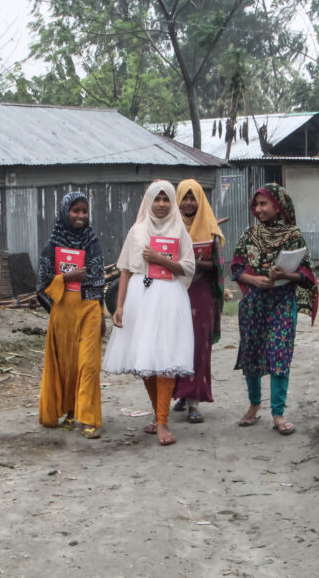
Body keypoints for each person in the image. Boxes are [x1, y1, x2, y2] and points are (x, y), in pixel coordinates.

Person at [103, 180, 195, 446]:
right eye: (157, 199)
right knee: (146, 362)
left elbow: (188, 267)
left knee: (164, 360)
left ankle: (164, 422)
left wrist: (162, 260)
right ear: (149, 201)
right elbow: (126, 270)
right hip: (139, 298)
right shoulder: (137, 231)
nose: (162, 204)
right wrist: (119, 306)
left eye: (167, 199)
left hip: (169, 298)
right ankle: (158, 413)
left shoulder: (179, 230)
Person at [232, 183, 318, 436]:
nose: (258, 209)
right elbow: (236, 268)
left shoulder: (293, 236)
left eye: (263, 204)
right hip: (253, 304)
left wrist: (287, 274)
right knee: (252, 353)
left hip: (282, 302)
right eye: (256, 205)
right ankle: (254, 404)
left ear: (278, 205)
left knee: (279, 353)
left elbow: (307, 274)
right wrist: (254, 280)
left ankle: (278, 414)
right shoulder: (249, 235)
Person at [36, 191, 105, 439]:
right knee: (66, 367)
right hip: (63, 312)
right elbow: (42, 284)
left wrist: (102, 314)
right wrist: (66, 278)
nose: (81, 216)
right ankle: (70, 412)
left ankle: (88, 418)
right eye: (76, 210)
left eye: (84, 211)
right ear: (66, 212)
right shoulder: (52, 245)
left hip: (88, 309)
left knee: (88, 365)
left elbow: (98, 280)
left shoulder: (93, 242)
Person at [172, 179, 225, 424]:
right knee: (174, 344)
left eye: (194, 198)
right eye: (185, 197)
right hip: (174, 294)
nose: (189, 203)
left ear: (200, 200)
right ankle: (180, 393)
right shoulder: (168, 228)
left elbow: (217, 265)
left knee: (198, 346)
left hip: (201, 294)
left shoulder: (210, 229)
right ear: (178, 200)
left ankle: (194, 402)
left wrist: (191, 262)